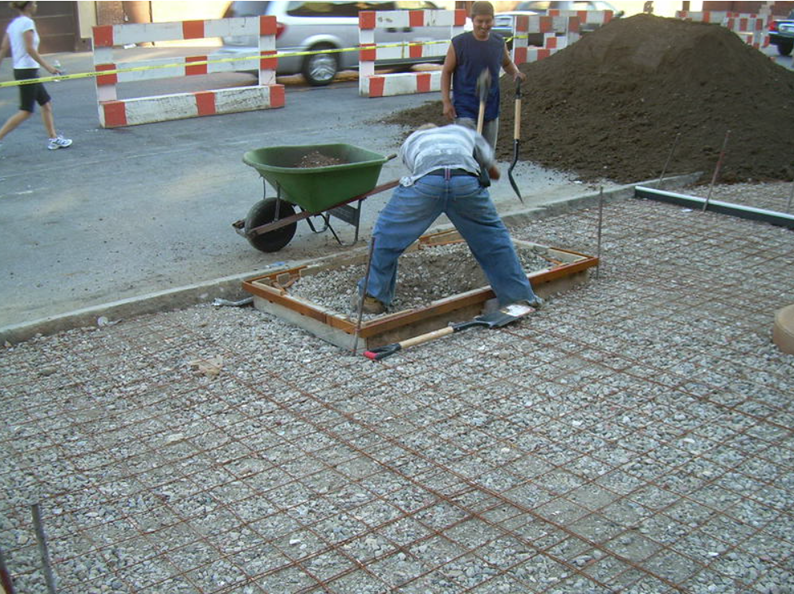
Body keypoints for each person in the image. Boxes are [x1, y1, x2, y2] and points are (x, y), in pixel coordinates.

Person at [353, 123, 542, 315]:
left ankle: (373, 298)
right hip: (465, 184)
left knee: (385, 237)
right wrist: (480, 167)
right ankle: (517, 298)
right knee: (494, 241)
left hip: (427, 184)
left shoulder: (411, 141)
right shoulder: (465, 134)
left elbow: (420, 173)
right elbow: (495, 174)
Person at [441, 0, 525, 148]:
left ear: (493, 20)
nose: (484, 26)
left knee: (486, 155)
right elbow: (446, 72)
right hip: (465, 108)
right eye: (480, 21)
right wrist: (446, 102)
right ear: (472, 19)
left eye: (488, 21)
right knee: (468, 153)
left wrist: (515, 73)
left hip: (491, 107)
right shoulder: (459, 43)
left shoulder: (498, 42)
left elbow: (506, 63)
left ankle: (484, 171)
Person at [0, 1, 72, 150]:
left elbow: (3, 48)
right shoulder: (27, 23)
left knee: (46, 104)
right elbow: (30, 49)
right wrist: (49, 67)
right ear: (28, 6)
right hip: (27, 71)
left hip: (24, 70)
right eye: (34, 3)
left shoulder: (14, 24)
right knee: (26, 111)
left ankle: (53, 139)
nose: (36, 5)